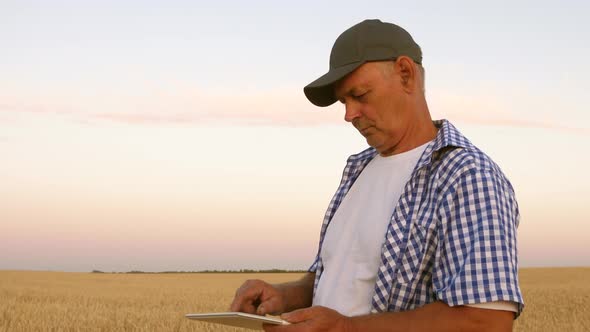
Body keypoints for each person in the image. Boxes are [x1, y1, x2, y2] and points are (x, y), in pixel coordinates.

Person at [230, 19, 524, 331]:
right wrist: (285, 296)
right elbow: (335, 276)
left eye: (360, 94)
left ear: (405, 74)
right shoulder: (358, 170)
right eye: (344, 101)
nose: (348, 114)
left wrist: (347, 328)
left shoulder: (466, 175)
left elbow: (486, 320)